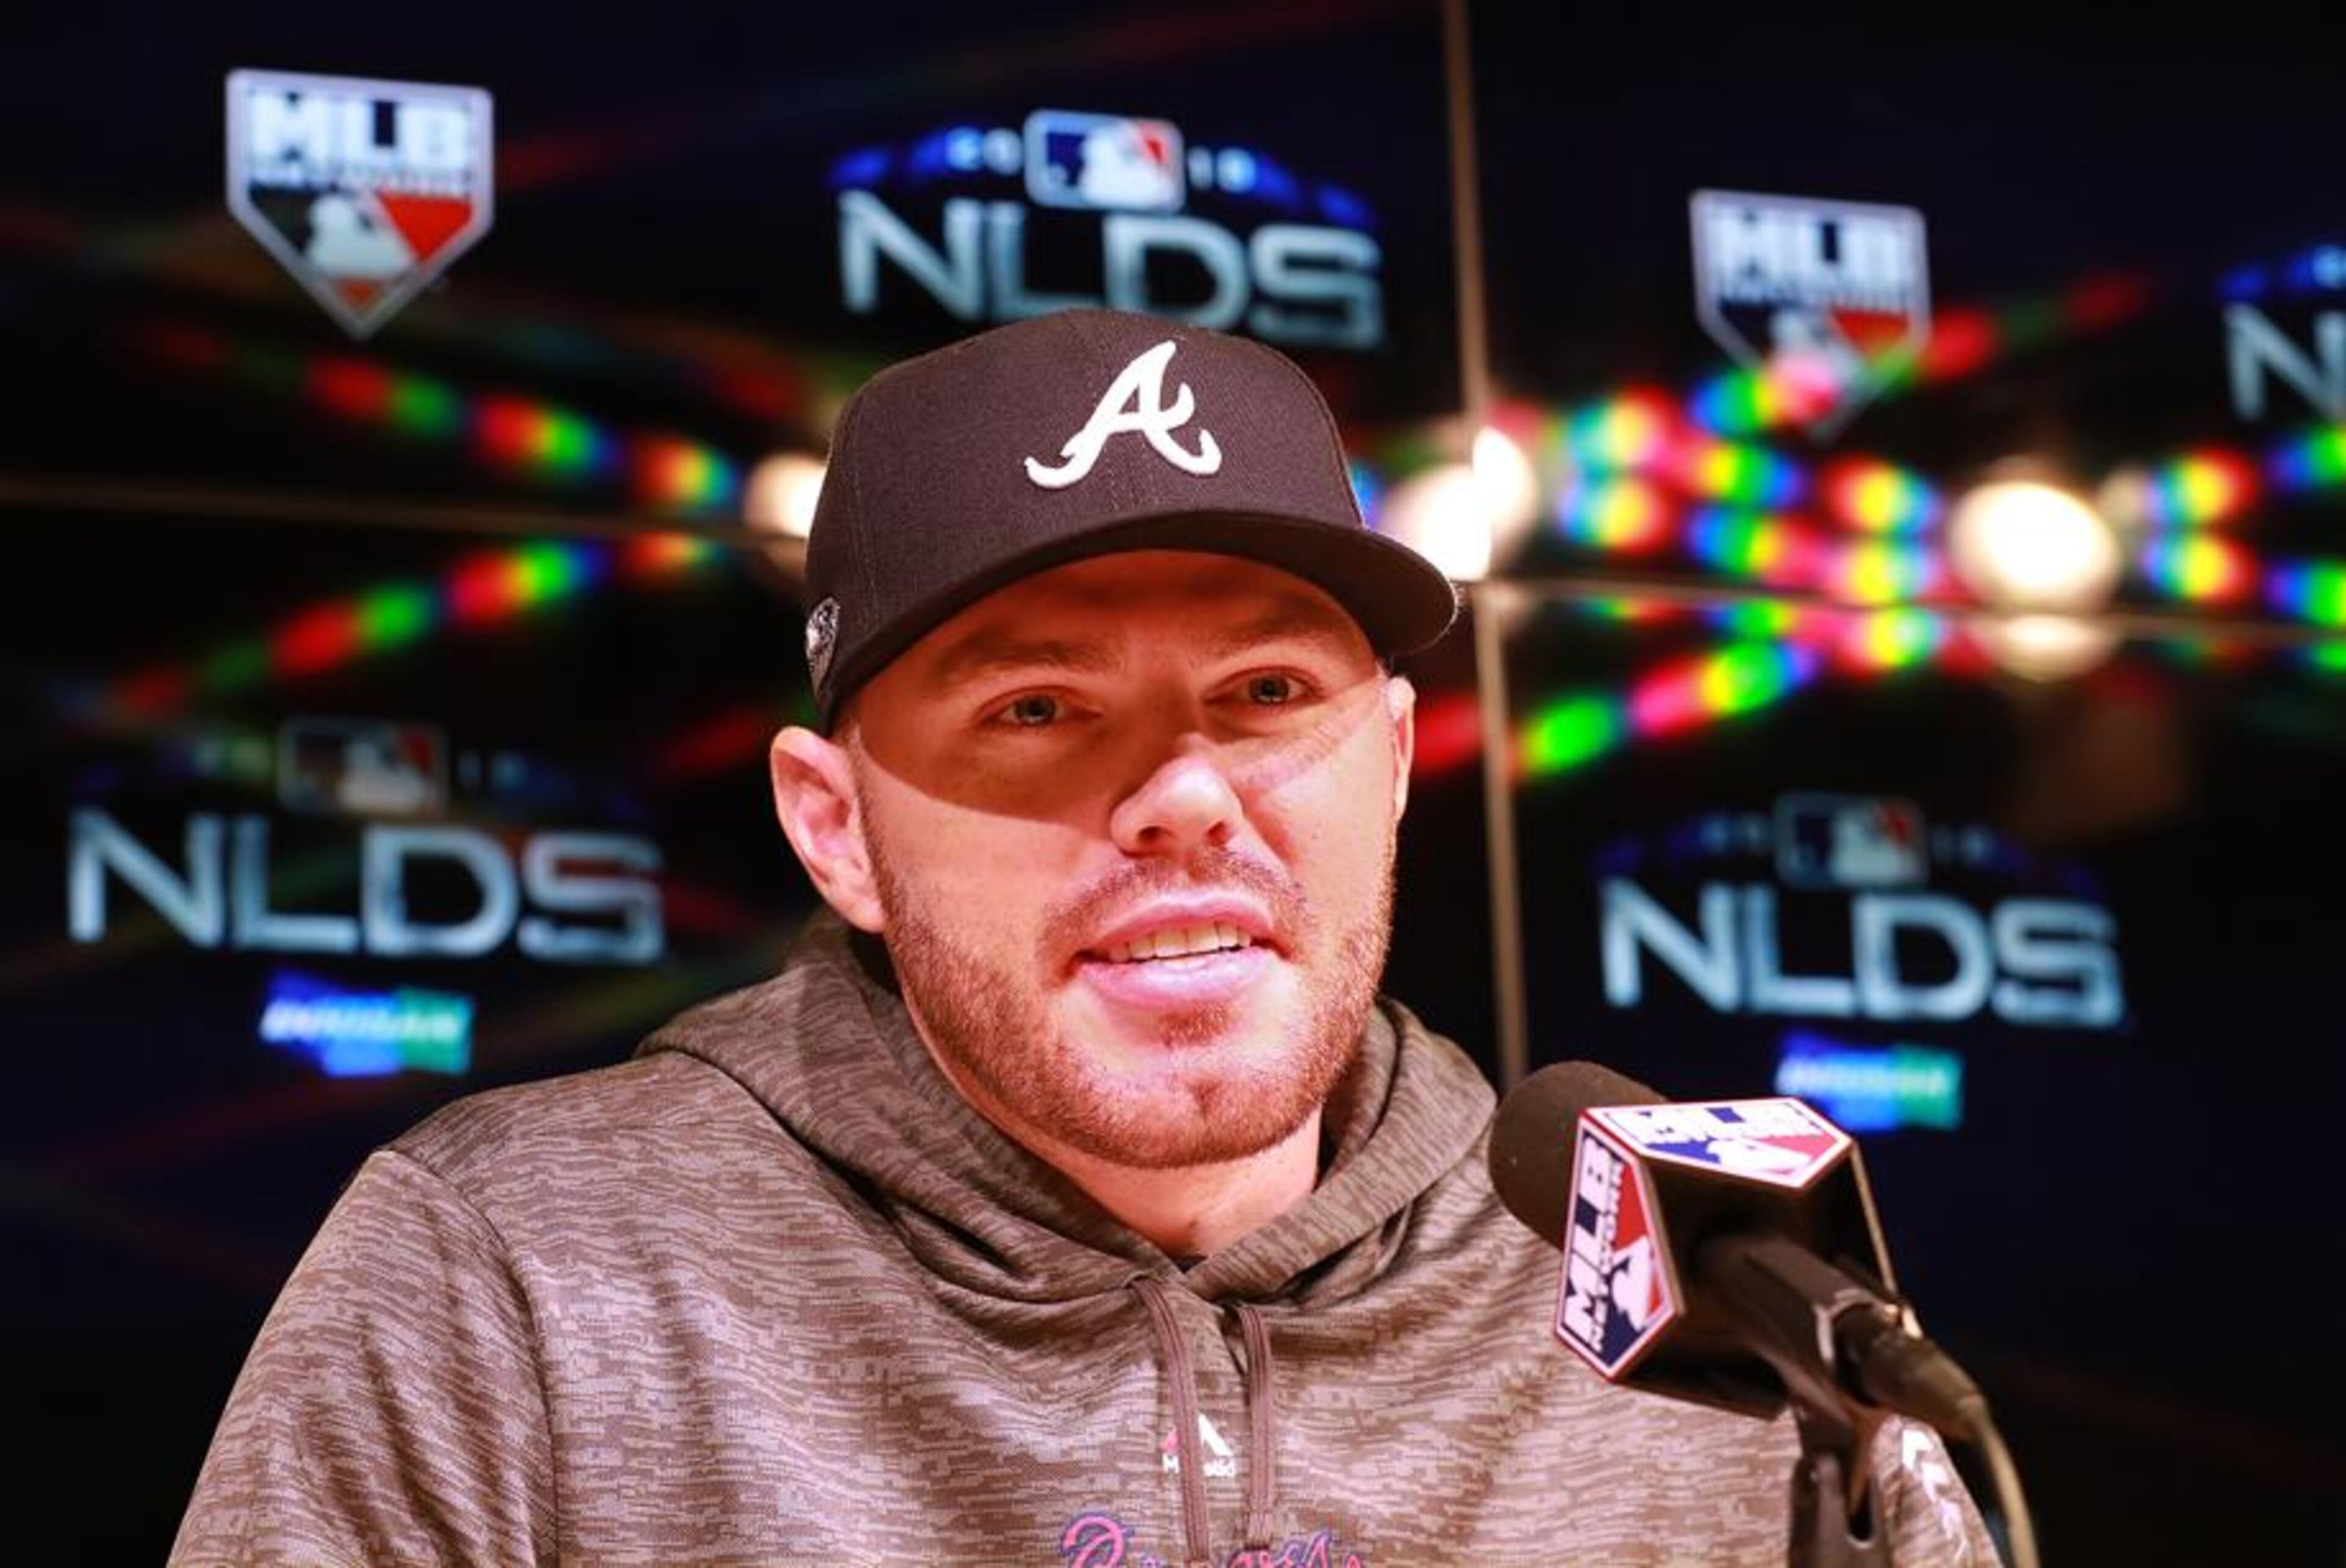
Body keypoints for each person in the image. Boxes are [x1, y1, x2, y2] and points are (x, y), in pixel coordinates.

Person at [172, 309, 1994, 1566]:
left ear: (1392, 760)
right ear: (838, 830)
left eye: (1268, 691)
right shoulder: (521, 1269)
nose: (1186, 797)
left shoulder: (1712, 1304)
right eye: (1039, 710)